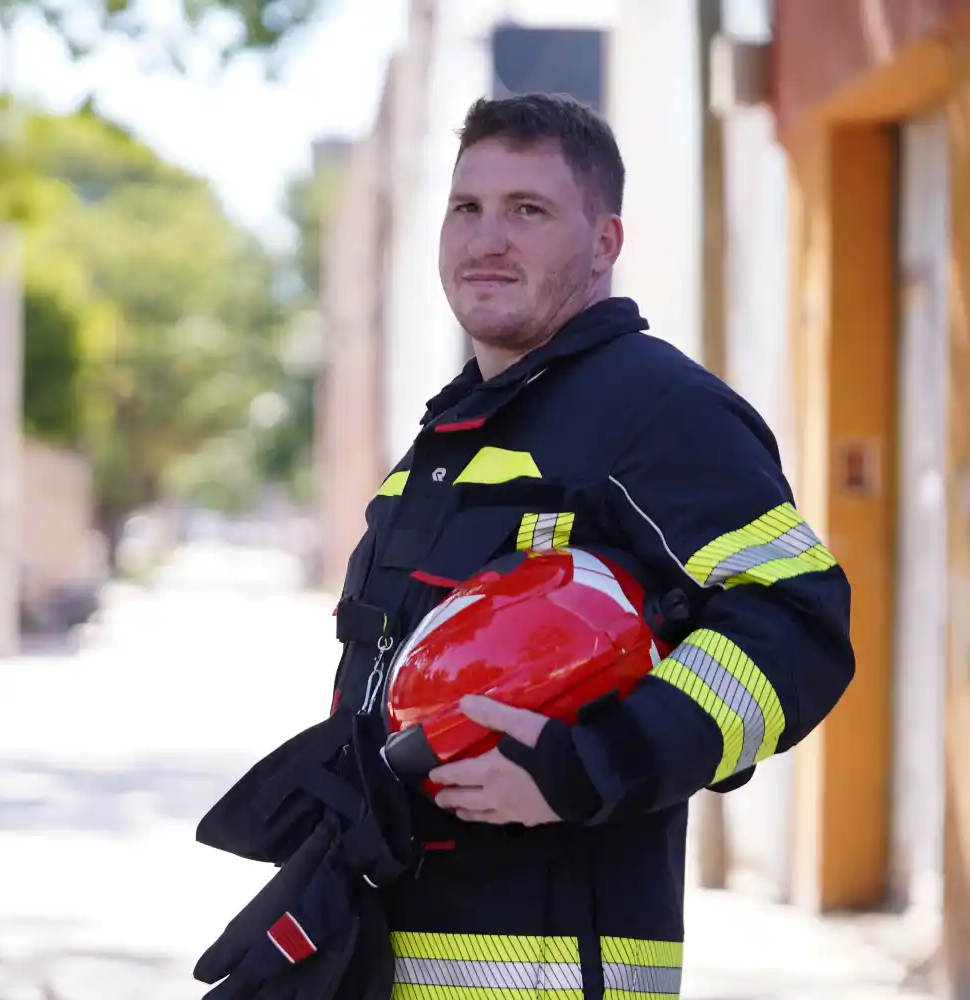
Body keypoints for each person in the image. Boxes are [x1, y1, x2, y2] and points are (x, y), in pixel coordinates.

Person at [321, 92, 855, 998]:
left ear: (606, 242)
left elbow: (796, 626)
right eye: (467, 209)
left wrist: (591, 765)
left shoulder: (658, 412)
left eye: (527, 211)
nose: (486, 239)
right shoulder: (450, 439)